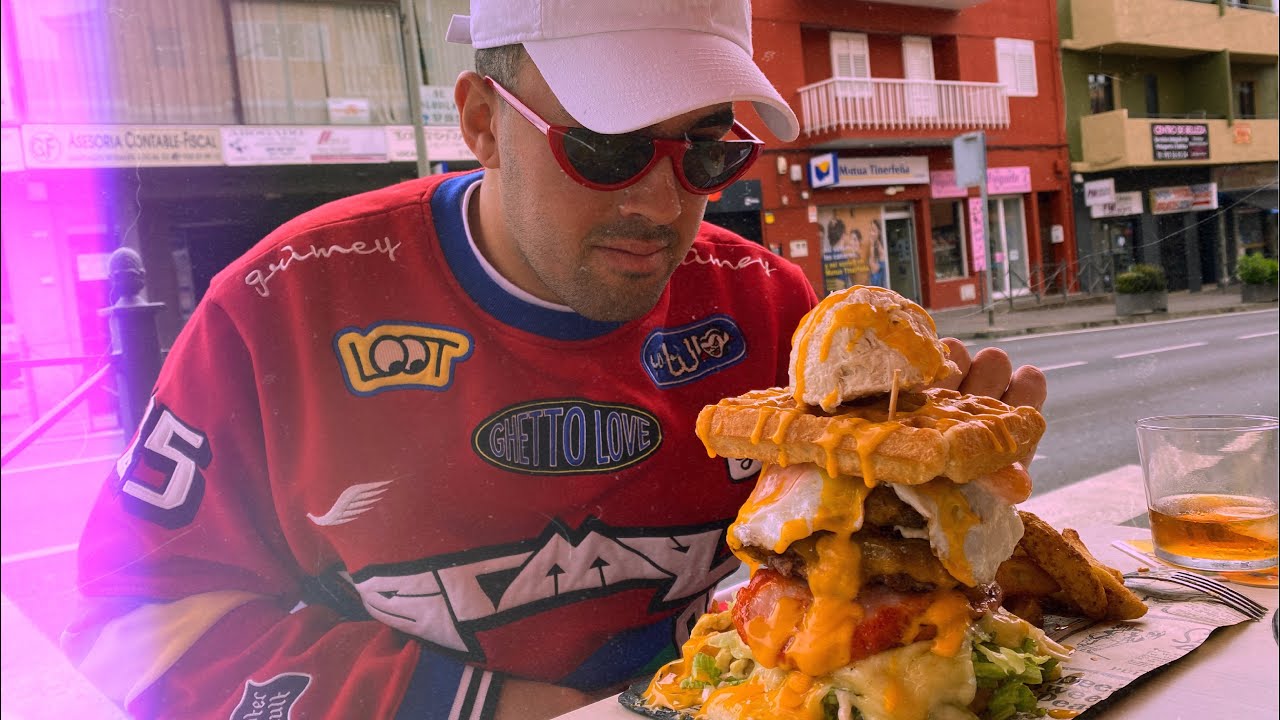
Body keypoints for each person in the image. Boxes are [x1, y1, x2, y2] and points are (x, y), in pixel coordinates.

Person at [64, 2, 1046, 719]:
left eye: (705, 151)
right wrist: (499, 710)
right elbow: (130, 626)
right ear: (482, 122)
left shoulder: (768, 309)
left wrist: (947, 513)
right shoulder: (280, 308)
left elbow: (824, 583)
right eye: (607, 149)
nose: (664, 206)